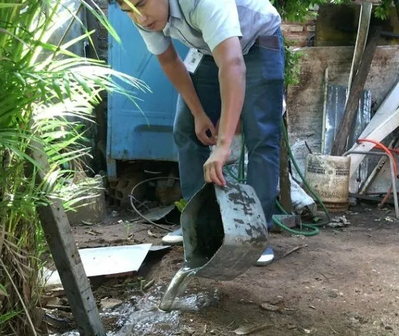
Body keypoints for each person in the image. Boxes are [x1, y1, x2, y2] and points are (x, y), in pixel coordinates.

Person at [117, 0, 284, 266]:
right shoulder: (145, 16)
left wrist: (223, 144)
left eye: (141, 5)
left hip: (257, 41)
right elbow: (170, 60)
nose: (140, 19)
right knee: (185, 130)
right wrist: (198, 113)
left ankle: (254, 236)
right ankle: (199, 227)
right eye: (129, 12)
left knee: (261, 136)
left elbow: (233, 65)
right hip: (206, 47)